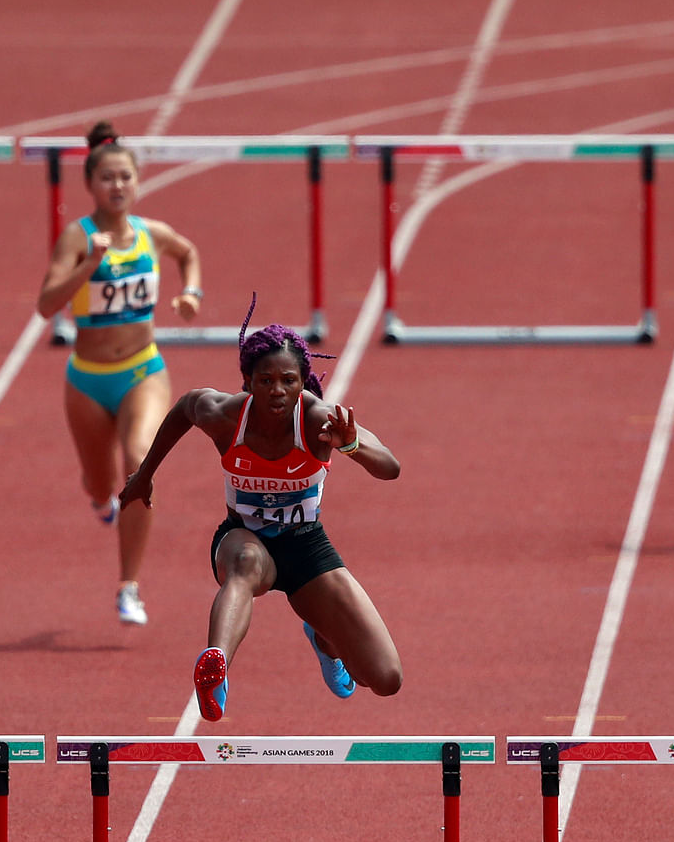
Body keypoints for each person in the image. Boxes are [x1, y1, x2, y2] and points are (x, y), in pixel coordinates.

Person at [118, 301, 402, 721]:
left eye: (288, 380)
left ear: (302, 382)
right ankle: (216, 668)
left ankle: (323, 638)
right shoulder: (225, 416)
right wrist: (144, 474)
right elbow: (184, 408)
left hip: (306, 548)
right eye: (265, 380)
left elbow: (390, 467)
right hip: (242, 538)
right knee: (247, 564)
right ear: (247, 383)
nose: (277, 390)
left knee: (385, 677)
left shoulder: (319, 421)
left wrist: (351, 445)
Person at [36, 120, 203, 626]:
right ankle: (99, 499)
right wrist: (89, 266)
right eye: (107, 178)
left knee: (138, 465)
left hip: (141, 372)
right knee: (98, 482)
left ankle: (129, 587)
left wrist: (191, 293)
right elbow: (46, 305)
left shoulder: (152, 234)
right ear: (91, 184)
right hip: (87, 379)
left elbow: (188, 252)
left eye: (126, 177)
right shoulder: (77, 237)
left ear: (137, 181)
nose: (118, 186)